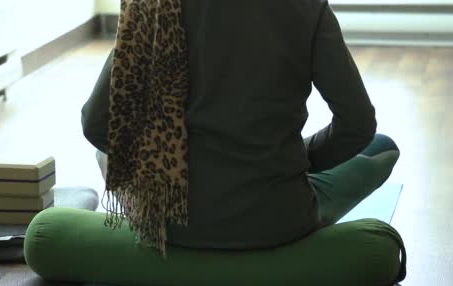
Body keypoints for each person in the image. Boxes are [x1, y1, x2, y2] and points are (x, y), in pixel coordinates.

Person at [81, 0, 400, 254]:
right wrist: (301, 157)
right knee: (381, 147)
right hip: (278, 220)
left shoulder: (149, 5)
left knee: (104, 150)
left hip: (171, 226)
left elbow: (98, 126)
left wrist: (159, 158)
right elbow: (358, 124)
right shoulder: (306, 6)